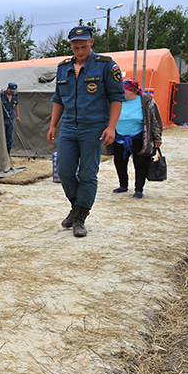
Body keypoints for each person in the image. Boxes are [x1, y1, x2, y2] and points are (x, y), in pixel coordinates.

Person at [47, 26, 125, 238]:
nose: (80, 50)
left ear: (91, 42)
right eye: (75, 47)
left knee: (88, 173)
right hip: (69, 127)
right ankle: (77, 206)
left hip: (94, 127)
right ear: (70, 45)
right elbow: (58, 99)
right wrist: (53, 125)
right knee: (64, 170)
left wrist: (111, 126)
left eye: (83, 46)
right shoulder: (63, 68)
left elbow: (117, 97)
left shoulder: (106, 66)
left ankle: (80, 217)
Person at [111, 78, 163, 198]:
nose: (120, 92)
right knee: (119, 162)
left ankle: (139, 189)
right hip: (119, 137)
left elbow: (155, 120)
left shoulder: (146, 100)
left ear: (132, 91)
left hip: (140, 138)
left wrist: (157, 138)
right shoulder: (115, 99)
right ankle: (123, 185)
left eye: (123, 90)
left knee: (140, 164)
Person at [1, 82, 20, 155]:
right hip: (3, 117)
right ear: (7, 88)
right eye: (11, 91)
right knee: (3, 135)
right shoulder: (1, 95)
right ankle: (3, 153)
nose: (12, 92)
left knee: (10, 136)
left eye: (13, 91)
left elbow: (16, 105)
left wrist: (18, 116)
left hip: (11, 118)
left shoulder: (15, 95)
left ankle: (8, 154)